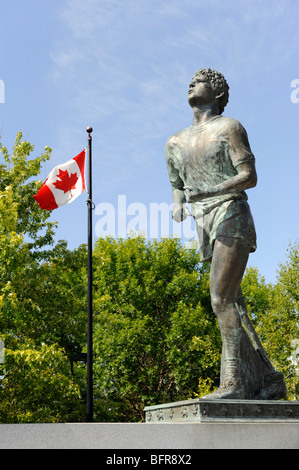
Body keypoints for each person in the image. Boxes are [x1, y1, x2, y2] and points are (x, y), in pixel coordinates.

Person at [165, 68, 286, 399]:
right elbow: (176, 184)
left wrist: (212, 190)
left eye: (199, 81)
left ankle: (232, 384)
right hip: (204, 223)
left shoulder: (229, 127)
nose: (191, 83)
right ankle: (270, 380)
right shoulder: (174, 142)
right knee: (235, 305)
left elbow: (249, 175)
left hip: (232, 213)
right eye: (190, 80)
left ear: (217, 94)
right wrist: (178, 205)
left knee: (220, 298)